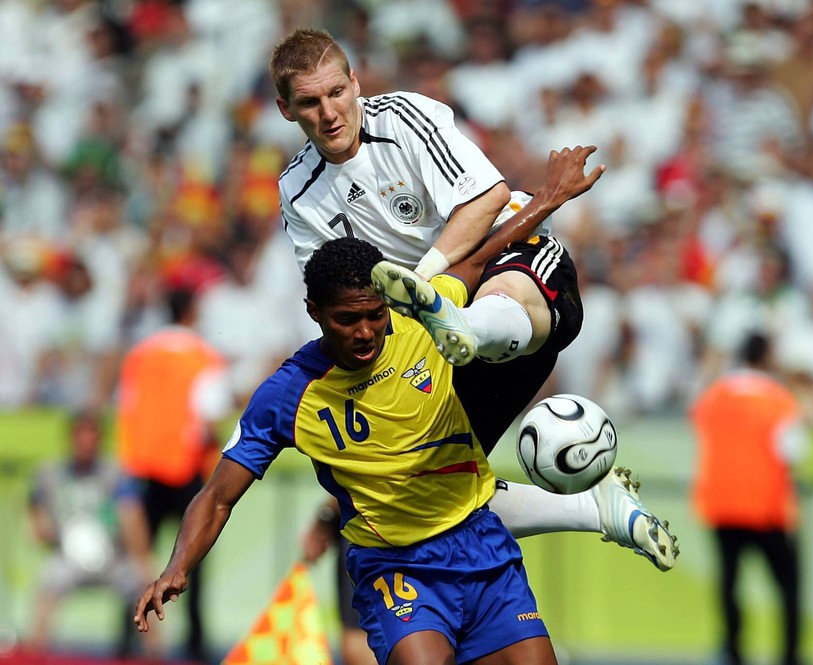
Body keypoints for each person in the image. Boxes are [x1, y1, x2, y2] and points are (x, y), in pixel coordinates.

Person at [132, 148, 676, 664]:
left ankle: (592, 504)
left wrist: (549, 199)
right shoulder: (287, 395)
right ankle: (593, 509)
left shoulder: (421, 316)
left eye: (374, 313)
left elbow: (485, 252)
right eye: (348, 320)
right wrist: (177, 567)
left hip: (482, 545)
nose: (367, 331)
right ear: (314, 311)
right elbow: (219, 495)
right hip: (397, 567)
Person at [270, 28, 676, 556]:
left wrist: (431, 282)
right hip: (429, 338)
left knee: (495, 292)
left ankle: (467, 324)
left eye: (336, 93)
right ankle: (597, 507)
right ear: (285, 109)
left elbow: (487, 198)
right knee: (427, 493)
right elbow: (337, 296)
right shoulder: (298, 193)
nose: (328, 113)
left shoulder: (405, 118)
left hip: (514, 268)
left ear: (355, 83)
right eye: (309, 102)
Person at [116, 286, 233, 662]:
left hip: (146, 469)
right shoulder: (203, 358)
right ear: (192, 311)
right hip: (186, 468)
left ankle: (126, 635)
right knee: (192, 556)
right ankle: (196, 643)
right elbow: (211, 414)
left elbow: (127, 406)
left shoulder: (141, 354)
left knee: (138, 557)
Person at [690, 332, 808, 665]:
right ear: (767, 356)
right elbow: (795, 450)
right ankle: (790, 656)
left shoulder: (714, 395)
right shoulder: (778, 398)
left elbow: (698, 425)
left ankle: (734, 652)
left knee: (729, 583)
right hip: (764, 507)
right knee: (788, 587)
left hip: (721, 503)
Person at [27, 409, 159, 658]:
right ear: (71, 439)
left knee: (147, 587)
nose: (85, 444)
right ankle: (35, 656)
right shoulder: (51, 474)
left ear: (100, 440)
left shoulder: (117, 474)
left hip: (112, 557)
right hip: (68, 557)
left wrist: (142, 558)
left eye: (91, 437)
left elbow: (132, 515)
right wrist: (39, 527)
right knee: (47, 582)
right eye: (80, 437)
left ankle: (156, 656)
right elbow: (34, 505)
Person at [300, 496, 376, 665]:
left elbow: (354, 479)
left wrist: (325, 517)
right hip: (431, 536)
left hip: (366, 532)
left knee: (359, 635)